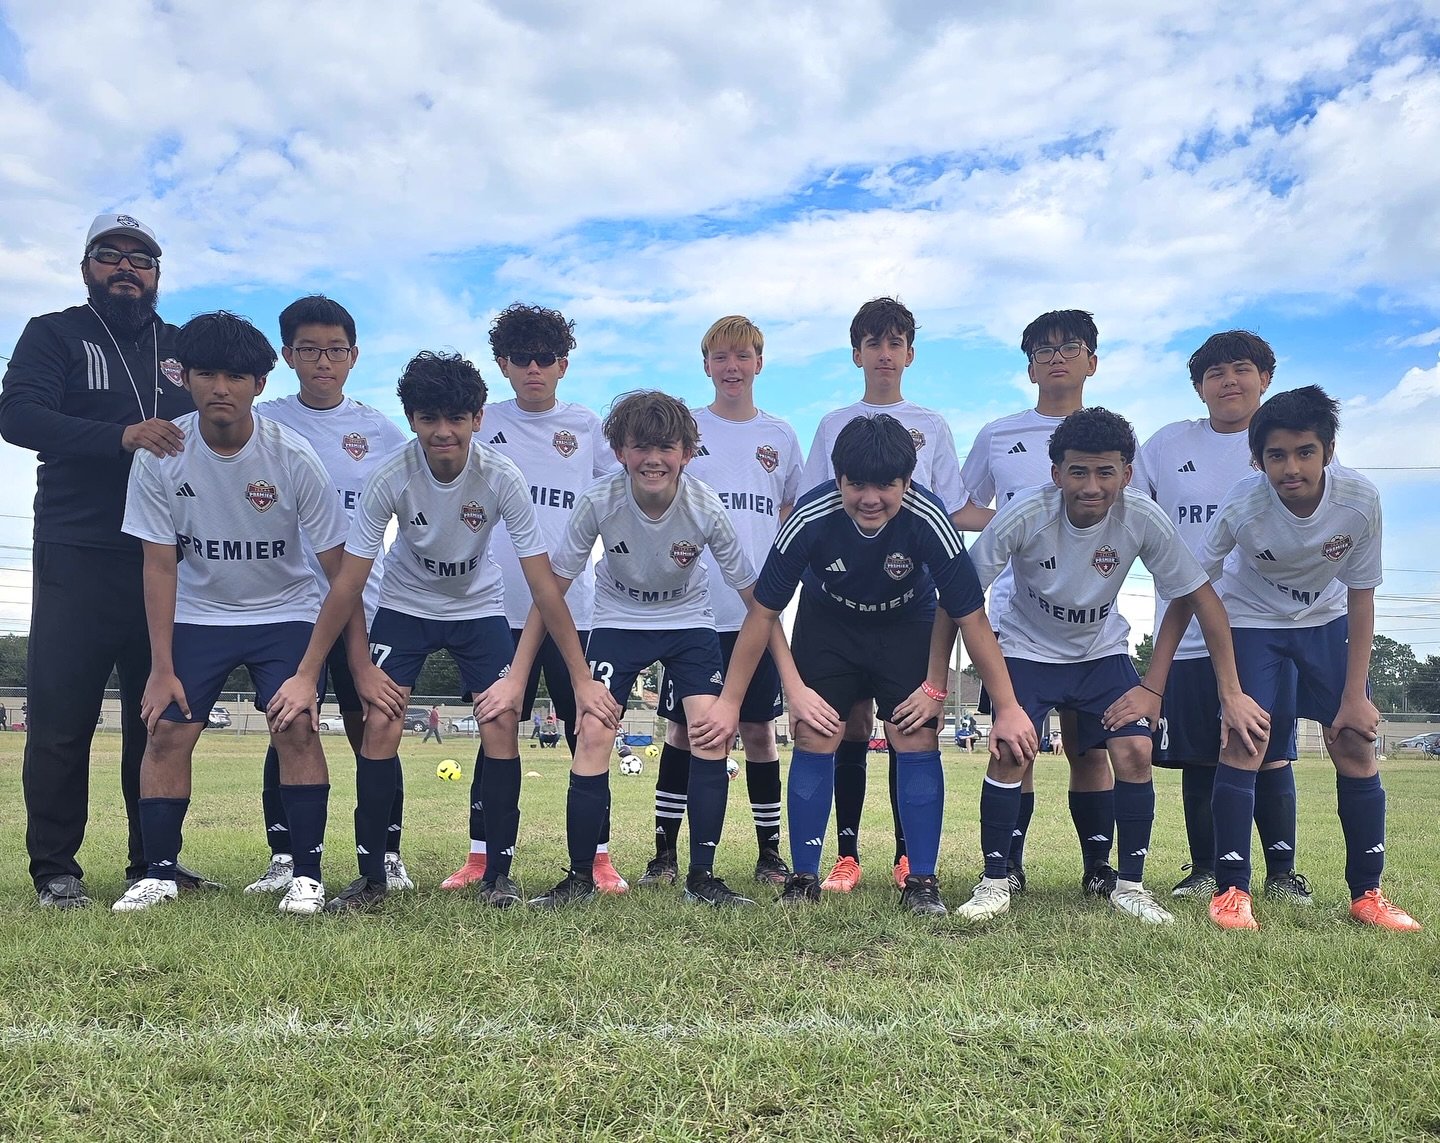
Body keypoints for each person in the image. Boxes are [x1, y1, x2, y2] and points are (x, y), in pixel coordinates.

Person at [267, 351, 619, 912]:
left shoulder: (501, 476)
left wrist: (578, 679)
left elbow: (544, 586)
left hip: (478, 607)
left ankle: (498, 877)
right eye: (429, 418)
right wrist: (320, 672)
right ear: (411, 420)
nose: (443, 432)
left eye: (456, 418)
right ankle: (372, 879)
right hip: (406, 605)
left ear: (478, 418)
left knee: (500, 720)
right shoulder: (392, 475)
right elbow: (348, 583)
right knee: (381, 721)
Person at [694, 414, 1038, 916]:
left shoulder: (929, 518)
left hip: (905, 625)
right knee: (814, 732)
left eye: (886, 486)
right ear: (838, 480)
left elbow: (970, 616)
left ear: (908, 482)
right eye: (856, 485)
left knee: (915, 734)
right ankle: (803, 878)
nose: (870, 498)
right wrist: (750, 697)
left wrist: (997, 704)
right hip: (829, 625)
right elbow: (763, 613)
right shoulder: (810, 517)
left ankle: (922, 882)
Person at [962, 407, 1269, 926]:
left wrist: (1172, 688)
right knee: (1012, 750)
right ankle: (994, 881)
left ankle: (1129, 886)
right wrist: (997, 701)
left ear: (1126, 474)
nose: (1091, 485)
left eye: (1105, 472)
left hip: (1100, 653)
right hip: (1027, 650)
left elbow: (1200, 598)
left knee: (1134, 750)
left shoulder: (1142, 515)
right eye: (1078, 472)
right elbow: (963, 601)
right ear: (1056, 472)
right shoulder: (1024, 514)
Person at [0, 212, 221, 909]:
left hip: (169, 557)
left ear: (157, 274)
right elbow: (17, 415)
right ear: (86, 267)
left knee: (158, 718)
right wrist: (119, 436)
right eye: (110, 254)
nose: (126, 267)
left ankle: (153, 862)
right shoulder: (55, 333)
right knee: (62, 717)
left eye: (141, 258)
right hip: (79, 550)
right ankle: (55, 869)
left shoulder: (183, 346)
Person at [111, 311, 350, 913]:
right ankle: (158, 874)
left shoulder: (292, 455)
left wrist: (314, 671)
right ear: (185, 378)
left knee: (296, 726)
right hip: (201, 615)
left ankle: (307, 876)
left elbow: (340, 573)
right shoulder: (162, 453)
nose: (221, 388)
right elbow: (159, 566)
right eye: (207, 374)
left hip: (284, 613)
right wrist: (160, 667)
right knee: (165, 732)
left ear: (260, 384)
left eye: (236, 377)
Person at [516, 390, 771, 910]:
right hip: (619, 619)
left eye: (666, 447)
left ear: (687, 452)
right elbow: (550, 592)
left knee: (708, 734)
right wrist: (570, 679)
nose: (653, 459)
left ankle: (702, 879)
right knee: (593, 731)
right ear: (620, 451)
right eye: (641, 446)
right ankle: (580, 878)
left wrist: (769, 688)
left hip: (688, 620)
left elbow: (759, 603)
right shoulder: (599, 500)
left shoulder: (705, 506)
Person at [1178, 385, 1419, 932]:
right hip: (1253, 620)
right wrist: (1226, 692)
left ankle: (1368, 894)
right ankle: (1232, 892)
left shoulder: (1359, 499)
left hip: (1325, 621)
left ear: (1328, 451)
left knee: (1354, 741)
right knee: (1244, 741)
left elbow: (1361, 596)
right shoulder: (1242, 504)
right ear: (1257, 460)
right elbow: (1192, 586)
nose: (1291, 468)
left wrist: (1355, 696)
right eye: (1277, 455)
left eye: (1305, 452)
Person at [437, 303, 627, 893]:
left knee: (587, 729)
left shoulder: (588, 427)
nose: (534, 369)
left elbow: (619, 500)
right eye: (521, 358)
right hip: (496, 608)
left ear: (563, 364)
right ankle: (482, 857)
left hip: (575, 611)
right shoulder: (482, 422)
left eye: (546, 358)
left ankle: (597, 858)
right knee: (496, 725)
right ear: (503, 364)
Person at [243, 295, 411, 898]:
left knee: (377, 725)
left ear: (353, 356)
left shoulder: (380, 430)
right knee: (290, 723)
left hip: (367, 604)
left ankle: (386, 851)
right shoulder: (263, 422)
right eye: (309, 349)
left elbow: (419, 502)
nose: (322, 362)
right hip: (289, 605)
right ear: (287, 355)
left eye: (335, 350)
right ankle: (285, 855)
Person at [797, 297, 967, 895]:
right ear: (857, 354)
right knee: (840, 725)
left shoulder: (932, 425)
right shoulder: (833, 424)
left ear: (910, 354)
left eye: (896, 343)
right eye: (874, 343)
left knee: (909, 724)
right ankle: (843, 855)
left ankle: (908, 859)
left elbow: (951, 510)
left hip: (907, 605)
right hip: (835, 602)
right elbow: (813, 508)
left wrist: (1022, 521)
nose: (885, 354)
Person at [1133, 331, 1309, 904]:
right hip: (1186, 628)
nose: (1229, 381)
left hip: (1267, 627)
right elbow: (1126, 510)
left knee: (1269, 749)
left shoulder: (1285, 445)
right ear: (1199, 387)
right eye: (1215, 373)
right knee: (1202, 754)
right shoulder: (1165, 445)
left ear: (1265, 378)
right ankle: (1208, 868)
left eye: (1241, 368)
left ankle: (1282, 874)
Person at [953, 309, 1116, 898]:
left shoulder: (1114, 434)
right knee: (1015, 743)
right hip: (1016, 619)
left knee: (1089, 748)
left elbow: (1133, 510)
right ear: (1029, 368)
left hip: (1092, 621)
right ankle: (1008, 868)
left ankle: (1099, 869)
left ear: (1091, 361)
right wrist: (1021, 524)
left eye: (1070, 347)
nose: (1056, 358)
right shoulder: (999, 434)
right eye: (1042, 351)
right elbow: (960, 506)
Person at [644, 315, 803, 890]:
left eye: (742, 356)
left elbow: (790, 516)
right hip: (691, 612)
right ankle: (664, 854)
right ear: (706, 365)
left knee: (759, 732)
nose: (732, 367)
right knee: (683, 732)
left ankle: (769, 854)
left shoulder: (780, 435)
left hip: (756, 615)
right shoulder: (687, 432)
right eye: (721, 357)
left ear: (759, 362)